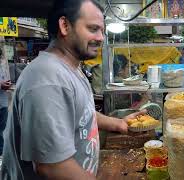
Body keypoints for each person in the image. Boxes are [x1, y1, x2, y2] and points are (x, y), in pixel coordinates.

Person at [1, 0, 146, 179]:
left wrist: (118, 123)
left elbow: (82, 113)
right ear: (64, 26)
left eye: (102, 30)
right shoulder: (48, 79)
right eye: (93, 29)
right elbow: (53, 167)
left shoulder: (72, 68)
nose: (101, 37)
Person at [0, 47, 12, 156]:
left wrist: (7, 84)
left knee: (1, 131)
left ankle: (1, 154)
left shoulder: (2, 66)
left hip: (2, 103)